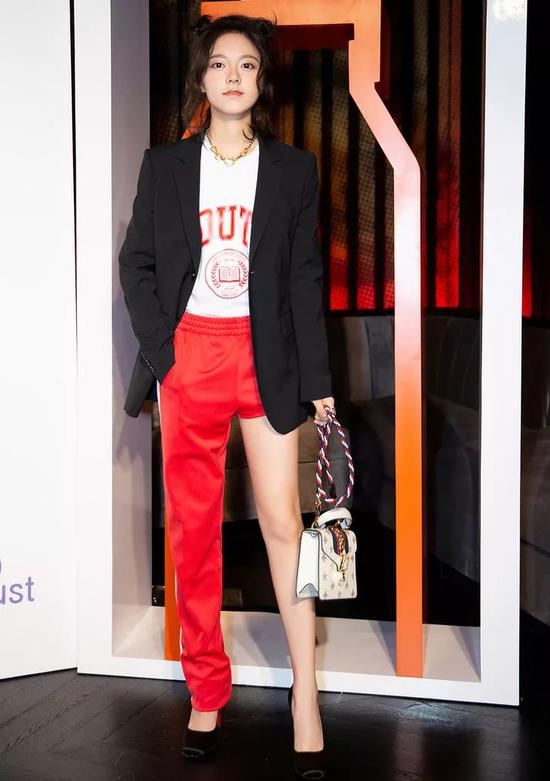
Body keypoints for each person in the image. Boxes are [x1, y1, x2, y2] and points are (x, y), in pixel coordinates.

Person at [119, 12, 334, 778]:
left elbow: (305, 282)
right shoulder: (166, 166)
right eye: (220, 63)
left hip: (266, 357)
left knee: (283, 523)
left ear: (262, 81)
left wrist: (320, 387)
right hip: (192, 357)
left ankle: (305, 693)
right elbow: (136, 264)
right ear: (202, 79)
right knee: (195, 533)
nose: (233, 75)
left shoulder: (294, 170)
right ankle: (206, 690)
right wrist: (166, 355)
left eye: (247, 64)